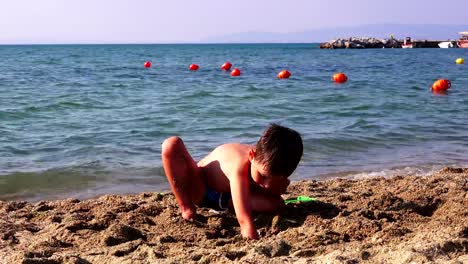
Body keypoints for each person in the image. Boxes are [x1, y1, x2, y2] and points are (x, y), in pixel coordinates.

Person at [161, 123, 303, 239]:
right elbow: (245, 224)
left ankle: (232, 203)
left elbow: (269, 187)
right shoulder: (239, 165)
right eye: (263, 176)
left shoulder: (270, 166)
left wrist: (276, 188)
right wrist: (252, 237)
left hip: (228, 198)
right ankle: (186, 206)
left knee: (278, 203)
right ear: (252, 155)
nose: (266, 184)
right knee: (171, 144)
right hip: (203, 189)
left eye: (277, 178)